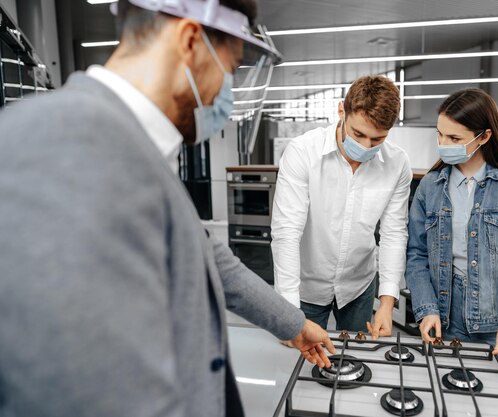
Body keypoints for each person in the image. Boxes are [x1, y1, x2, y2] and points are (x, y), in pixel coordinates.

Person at [0, 1, 335, 416]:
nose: (223, 93)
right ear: (190, 40)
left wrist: (293, 323)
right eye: (228, 71)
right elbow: (85, 393)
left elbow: (208, 258)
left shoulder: (127, 145)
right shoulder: (67, 147)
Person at [405, 88, 498, 396]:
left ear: (485, 137)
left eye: (455, 139)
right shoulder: (429, 189)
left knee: (495, 405)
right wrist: (427, 308)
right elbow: (416, 256)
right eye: (440, 135)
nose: (443, 145)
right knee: (443, 402)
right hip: (442, 323)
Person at [271, 75, 413, 339]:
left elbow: (393, 233)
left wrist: (387, 301)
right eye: (358, 134)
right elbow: (286, 234)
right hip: (306, 287)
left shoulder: (397, 163)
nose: (365, 146)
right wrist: (289, 314)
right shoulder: (302, 152)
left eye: (377, 139)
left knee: (356, 364)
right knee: (302, 364)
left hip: (359, 285)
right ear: (341, 112)